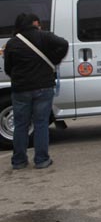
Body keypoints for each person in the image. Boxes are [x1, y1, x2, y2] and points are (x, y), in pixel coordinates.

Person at [4, 13, 69, 170]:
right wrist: (55, 59)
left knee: (21, 125)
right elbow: (64, 44)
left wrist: (18, 76)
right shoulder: (44, 36)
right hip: (43, 87)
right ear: (34, 23)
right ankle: (41, 160)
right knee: (41, 124)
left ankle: (19, 161)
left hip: (21, 89)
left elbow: (8, 68)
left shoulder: (12, 43)